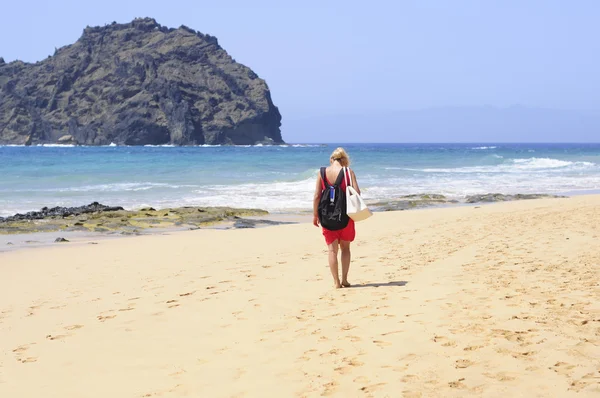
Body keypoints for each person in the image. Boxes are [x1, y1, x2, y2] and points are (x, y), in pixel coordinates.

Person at [313, 147, 361, 289]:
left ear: (331, 159)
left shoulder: (322, 172)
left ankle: (336, 283)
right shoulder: (348, 172)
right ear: (344, 160)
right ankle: (345, 280)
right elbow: (357, 193)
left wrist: (315, 215)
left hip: (326, 216)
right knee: (345, 248)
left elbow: (316, 196)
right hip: (345, 216)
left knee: (332, 250)